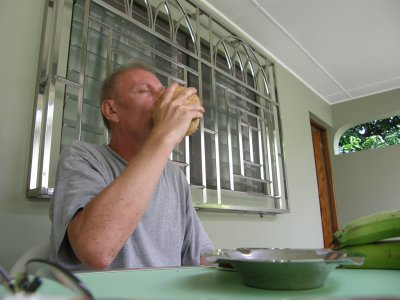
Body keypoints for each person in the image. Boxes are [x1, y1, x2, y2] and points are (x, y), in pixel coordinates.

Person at [49, 63, 214, 271]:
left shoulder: (173, 175)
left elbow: (200, 255)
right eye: (145, 91)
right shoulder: (83, 157)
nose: (164, 100)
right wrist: (164, 136)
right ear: (112, 110)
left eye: (163, 92)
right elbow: (95, 250)